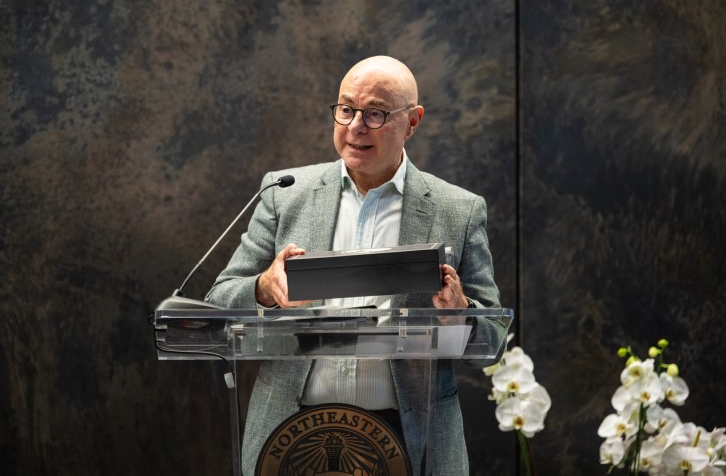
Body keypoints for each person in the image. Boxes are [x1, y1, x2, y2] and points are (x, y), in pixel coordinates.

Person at [206, 55, 504, 475]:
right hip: (292, 433)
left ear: (413, 122)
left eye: (376, 114)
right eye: (346, 109)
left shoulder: (459, 210)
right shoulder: (284, 192)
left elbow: (492, 342)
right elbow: (219, 301)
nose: (355, 127)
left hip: (411, 438)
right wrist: (263, 288)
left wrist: (461, 315)